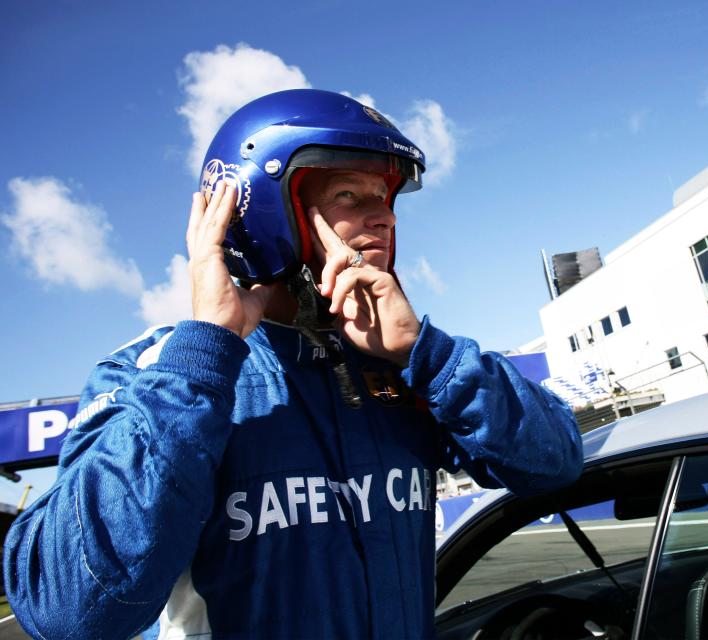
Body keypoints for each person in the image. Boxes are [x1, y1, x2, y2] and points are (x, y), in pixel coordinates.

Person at [3, 89, 583, 639]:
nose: (385, 218)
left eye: (385, 198)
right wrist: (204, 353)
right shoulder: (155, 373)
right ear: (262, 212)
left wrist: (424, 355)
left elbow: (553, 464)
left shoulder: (402, 363)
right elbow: (71, 611)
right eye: (350, 197)